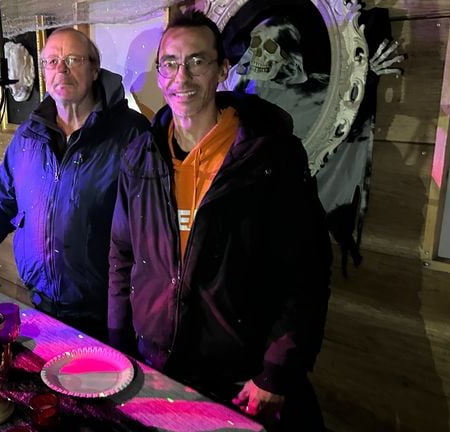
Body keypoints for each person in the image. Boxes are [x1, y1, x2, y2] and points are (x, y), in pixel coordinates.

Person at [108, 11, 332, 431]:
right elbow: (122, 254)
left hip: (237, 376)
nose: (182, 75)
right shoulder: (140, 155)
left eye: (197, 60)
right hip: (157, 365)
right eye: (170, 63)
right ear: (160, 73)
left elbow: (307, 273)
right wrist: (119, 342)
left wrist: (275, 372)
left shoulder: (270, 158)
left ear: (221, 71)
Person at [0, 27, 149, 340]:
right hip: (41, 305)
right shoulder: (28, 136)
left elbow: (148, 232)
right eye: (52, 61)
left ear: (95, 69)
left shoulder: (131, 134)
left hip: (109, 315)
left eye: (73, 59)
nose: (61, 69)